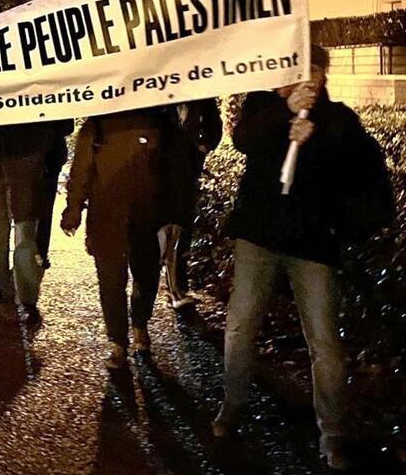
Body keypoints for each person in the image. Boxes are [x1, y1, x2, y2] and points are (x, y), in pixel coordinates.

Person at [213, 46, 391, 471]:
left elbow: (361, 169)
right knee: (240, 326)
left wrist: (319, 133)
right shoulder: (262, 102)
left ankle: (332, 433)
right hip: (259, 237)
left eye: (315, 70)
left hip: (313, 244)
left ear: (325, 75)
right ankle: (232, 403)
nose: (307, 78)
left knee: (325, 344)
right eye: (299, 68)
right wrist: (283, 113)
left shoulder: (340, 118)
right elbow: (244, 140)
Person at [61, 108, 180, 368]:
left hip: (148, 215)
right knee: (111, 280)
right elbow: (81, 171)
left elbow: (174, 170)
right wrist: (73, 209)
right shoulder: (97, 126)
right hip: (107, 217)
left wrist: (173, 213)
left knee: (146, 275)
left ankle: (139, 325)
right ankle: (118, 342)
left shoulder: (159, 121)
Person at [0, 121, 73, 327]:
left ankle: (23, 297)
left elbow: (65, 125)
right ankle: (5, 287)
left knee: (21, 234)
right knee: (7, 233)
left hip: (27, 167)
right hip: (6, 167)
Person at [159, 98, 222, 309]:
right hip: (159, 172)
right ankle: (159, 282)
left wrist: (204, 145)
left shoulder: (202, 99)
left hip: (187, 172)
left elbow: (214, 125)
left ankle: (177, 286)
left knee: (181, 229)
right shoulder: (160, 99)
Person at [36, 119, 74, 270]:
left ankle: (38, 251)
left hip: (48, 157)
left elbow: (67, 126)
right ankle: (37, 251)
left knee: (43, 208)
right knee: (43, 209)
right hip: (46, 156)